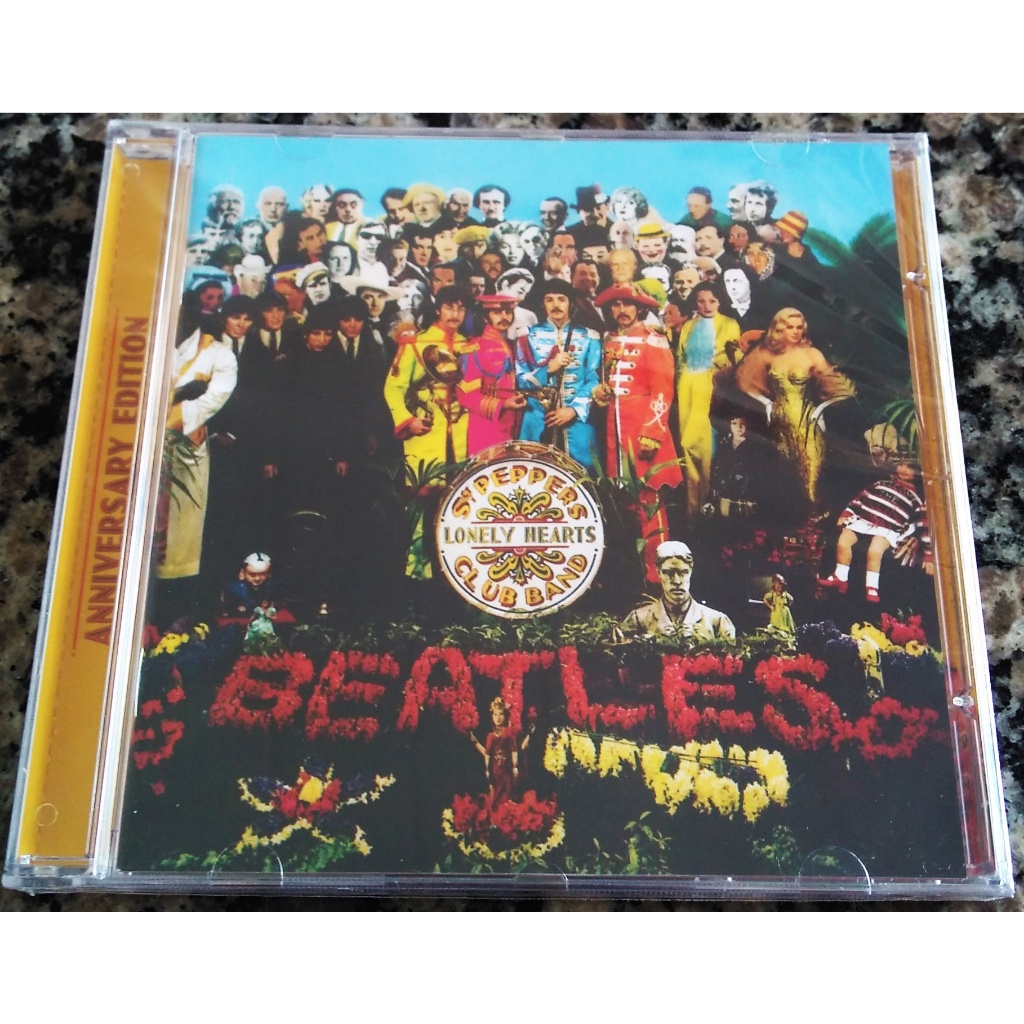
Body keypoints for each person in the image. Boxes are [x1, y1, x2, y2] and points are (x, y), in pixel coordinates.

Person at [591, 284, 682, 580]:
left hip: (643, 427)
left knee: (649, 500)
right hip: (616, 430)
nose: (622, 311)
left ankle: (659, 573)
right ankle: (635, 573)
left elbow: (663, 391)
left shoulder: (653, 339)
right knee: (626, 501)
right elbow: (611, 384)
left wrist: (652, 433)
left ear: (639, 308)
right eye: (616, 305)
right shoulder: (610, 340)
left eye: (627, 305)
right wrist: (602, 393)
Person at [384, 285, 472, 577]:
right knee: (422, 503)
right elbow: (393, 388)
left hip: (461, 436)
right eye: (449, 307)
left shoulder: (469, 345)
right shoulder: (416, 344)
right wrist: (407, 420)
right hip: (426, 434)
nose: (455, 314)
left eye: (460, 308)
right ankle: (419, 572)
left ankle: (457, 571)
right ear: (437, 309)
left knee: (459, 502)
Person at [734, 307, 855, 510]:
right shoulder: (765, 354)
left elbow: (840, 389)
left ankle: (816, 519)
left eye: (799, 327)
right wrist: (767, 403)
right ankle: (792, 519)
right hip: (780, 423)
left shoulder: (811, 354)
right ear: (779, 328)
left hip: (808, 422)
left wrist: (821, 409)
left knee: (812, 474)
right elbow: (744, 381)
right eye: (790, 327)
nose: (796, 332)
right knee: (787, 475)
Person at [156, 313, 238, 586]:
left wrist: (169, 416)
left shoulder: (219, 354)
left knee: (183, 525)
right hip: (145, 444)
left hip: (187, 441)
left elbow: (212, 399)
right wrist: (181, 394)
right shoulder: (152, 341)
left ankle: (177, 585)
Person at [516, 280, 602, 473]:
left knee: (583, 475)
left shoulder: (589, 337)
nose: (556, 305)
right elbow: (520, 379)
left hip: (578, 421)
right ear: (543, 304)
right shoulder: (527, 336)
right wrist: (548, 369)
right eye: (550, 300)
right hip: (538, 420)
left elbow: (594, 379)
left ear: (570, 303)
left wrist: (573, 410)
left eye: (561, 299)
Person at [675, 284, 741, 520]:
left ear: (720, 301)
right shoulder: (688, 326)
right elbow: (681, 360)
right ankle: (691, 509)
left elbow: (736, 362)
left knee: (707, 448)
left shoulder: (729, 324)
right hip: (687, 389)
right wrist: (682, 385)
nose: (707, 306)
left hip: (712, 388)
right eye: (701, 301)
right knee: (687, 444)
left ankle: (708, 506)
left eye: (712, 301)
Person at [819, 460, 925, 603]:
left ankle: (872, 587)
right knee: (844, 541)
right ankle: (841, 576)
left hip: (888, 528)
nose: (904, 470)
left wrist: (918, 542)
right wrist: (846, 514)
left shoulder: (915, 498)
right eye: (902, 465)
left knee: (874, 551)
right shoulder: (880, 484)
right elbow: (859, 500)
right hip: (864, 520)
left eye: (910, 468)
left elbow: (920, 522)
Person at [458, 293, 528, 455]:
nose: (504, 317)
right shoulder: (475, 347)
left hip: (510, 424)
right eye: (497, 312)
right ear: (485, 316)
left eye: (508, 312)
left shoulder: (510, 344)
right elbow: (466, 395)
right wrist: (502, 405)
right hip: (485, 425)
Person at [621, 541, 735, 640]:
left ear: (691, 571)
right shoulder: (638, 620)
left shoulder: (717, 621)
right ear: (658, 572)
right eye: (668, 573)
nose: (676, 581)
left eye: (683, 573)